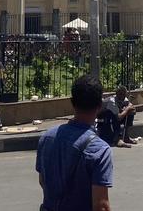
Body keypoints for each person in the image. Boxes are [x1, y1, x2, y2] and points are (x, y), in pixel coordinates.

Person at [36, 75, 114, 211]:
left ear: (72, 102)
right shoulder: (100, 150)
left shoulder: (46, 138)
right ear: (99, 105)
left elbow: (43, 181)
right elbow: (101, 206)